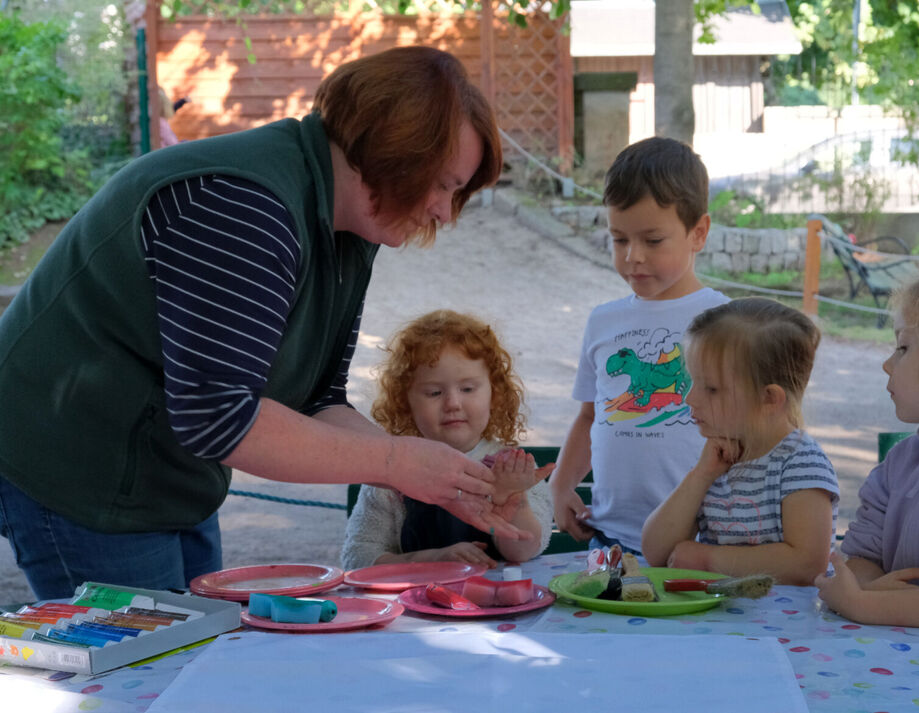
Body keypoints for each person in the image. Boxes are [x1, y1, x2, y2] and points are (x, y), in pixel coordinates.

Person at [0, 46, 520, 601]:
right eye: (441, 184)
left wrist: (440, 478)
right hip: (78, 470)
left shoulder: (349, 222)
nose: (444, 211)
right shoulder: (245, 206)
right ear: (393, 153)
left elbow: (317, 399)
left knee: (200, 645)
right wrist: (395, 461)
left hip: (169, 473)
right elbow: (218, 418)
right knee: (149, 654)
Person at [548, 137, 729, 555]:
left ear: (698, 233)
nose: (633, 256)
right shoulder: (603, 321)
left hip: (701, 545)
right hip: (609, 541)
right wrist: (560, 483)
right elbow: (590, 415)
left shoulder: (727, 322)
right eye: (619, 239)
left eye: (652, 240)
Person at [641, 298, 839, 586]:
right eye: (693, 382)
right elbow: (656, 552)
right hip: (720, 614)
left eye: (711, 389)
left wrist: (708, 560)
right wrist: (701, 476)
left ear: (769, 398)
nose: (690, 399)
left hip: (784, 616)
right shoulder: (718, 458)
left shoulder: (800, 462)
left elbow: (807, 563)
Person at [342, 310, 553, 570]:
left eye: (467, 389)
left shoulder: (512, 468)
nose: (453, 403)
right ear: (404, 403)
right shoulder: (393, 471)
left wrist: (514, 501)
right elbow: (357, 557)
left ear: (495, 394)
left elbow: (524, 551)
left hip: (499, 595)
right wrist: (430, 560)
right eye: (434, 392)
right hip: (414, 597)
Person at [815, 265, 919, 627]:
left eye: (903, 347)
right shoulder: (901, 462)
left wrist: (863, 604)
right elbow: (858, 559)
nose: (886, 363)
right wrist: (866, 588)